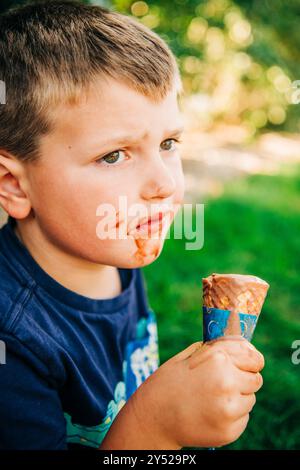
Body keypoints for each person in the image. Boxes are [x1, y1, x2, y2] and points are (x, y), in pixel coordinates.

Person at [0, 0, 264, 450]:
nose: (164, 183)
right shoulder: (14, 343)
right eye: (113, 155)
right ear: (15, 186)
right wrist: (154, 426)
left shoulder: (112, 249)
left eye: (168, 143)